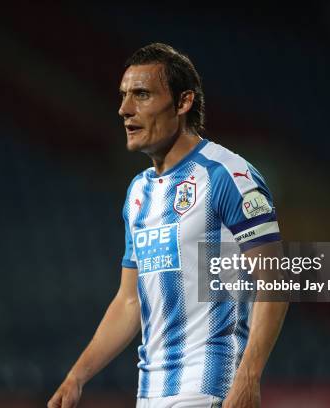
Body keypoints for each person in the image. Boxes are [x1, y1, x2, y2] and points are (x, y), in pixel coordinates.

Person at [48, 43, 288, 408]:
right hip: (151, 393)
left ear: (183, 102)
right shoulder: (139, 192)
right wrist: (77, 376)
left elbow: (275, 280)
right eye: (124, 96)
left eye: (141, 95)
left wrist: (248, 378)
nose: (124, 109)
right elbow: (129, 302)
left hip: (208, 387)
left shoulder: (226, 175)